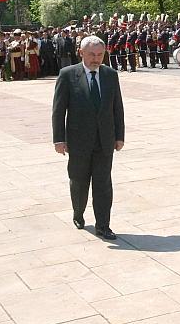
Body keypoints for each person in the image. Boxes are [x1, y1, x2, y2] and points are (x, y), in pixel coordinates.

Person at [51, 35, 125, 241]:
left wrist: (119, 136)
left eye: (100, 54)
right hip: (78, 141)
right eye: (92, 54)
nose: (96, 59)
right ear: (81, 53)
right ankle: (78, 213)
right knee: (79, 182)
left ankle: (103, 225)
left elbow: (117, 108)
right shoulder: (67, 75)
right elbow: (59, 110)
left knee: (103, 184)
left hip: (105, 140)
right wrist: (59, 139)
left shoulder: (110, 75)